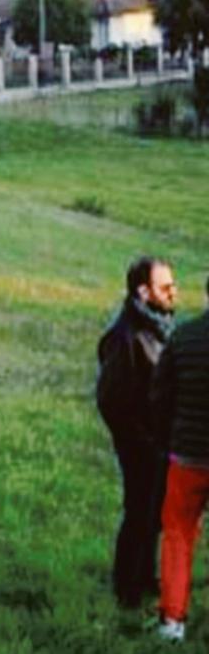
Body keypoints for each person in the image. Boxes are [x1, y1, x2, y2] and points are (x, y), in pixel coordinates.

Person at [96, 256, 177, 609]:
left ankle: (144, 578)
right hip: (140, 444)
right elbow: (111, 402)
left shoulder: (157, 326)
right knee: (138, 511)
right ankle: (126, 590)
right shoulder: (125, 336)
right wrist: (142, 444)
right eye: (165, 287)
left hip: (158, 442)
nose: (174, 292)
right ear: (143, 292)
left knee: (153, 512)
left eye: (173, 285)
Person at [150, 274, 208, 641]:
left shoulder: (183, 336)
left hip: (187, 456)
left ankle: (172, 621)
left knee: (178, 535)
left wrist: (167, 436)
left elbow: (159, 397)